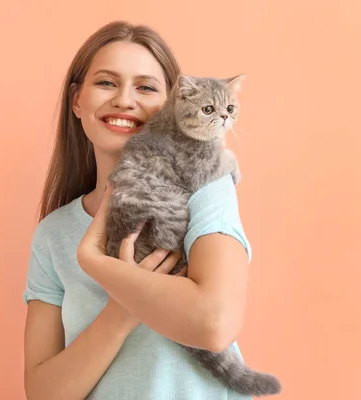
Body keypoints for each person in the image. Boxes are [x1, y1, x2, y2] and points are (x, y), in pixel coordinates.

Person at [23, 20, 252, 400]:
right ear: (77, 100)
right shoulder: (54, 233)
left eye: (146, 87)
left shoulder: (206, 192)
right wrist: (121, 312)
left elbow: (216, 324)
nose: (125, 100)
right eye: (106, 83)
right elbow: (44, 393)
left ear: (177, 103)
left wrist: (98, 265)